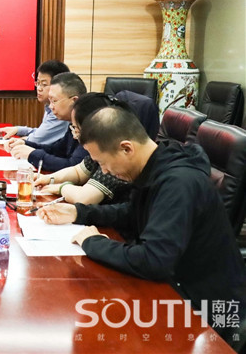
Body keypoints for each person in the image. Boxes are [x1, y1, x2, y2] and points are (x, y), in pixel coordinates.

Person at [37, 106, 246, 346]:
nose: (104, 171)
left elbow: (153, 260)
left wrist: (92, 242)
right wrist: (79, 212)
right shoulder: (155, 166)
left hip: (204, 311)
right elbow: (132, 213)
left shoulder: (178, 183)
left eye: (103, 162)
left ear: (126, 148)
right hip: (175, 288)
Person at [34, 93, 131, 205]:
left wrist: (61, 188)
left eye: (76, 129)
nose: (75, 136)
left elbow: (84, 198)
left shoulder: (115, 154)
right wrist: (47, 179)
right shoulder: (100, 148)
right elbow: (78, 172)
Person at [7, 72, 88, 172]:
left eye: (54, 101)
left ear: (74, 101)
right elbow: (56, 150)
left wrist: (32, 154)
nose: (50, 106)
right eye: (50, 101)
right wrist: (26, 144)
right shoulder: (73, 123)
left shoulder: (89, 126)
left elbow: (72, 167)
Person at [0, 60, 70, 145]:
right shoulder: (49, 105)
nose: (39, 88)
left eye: (44, 84)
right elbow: (43, 133)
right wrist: (17, 130)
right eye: (38, 83)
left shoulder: (61, 110)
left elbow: (37, 139)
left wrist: (21, 140)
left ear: (59, 86)